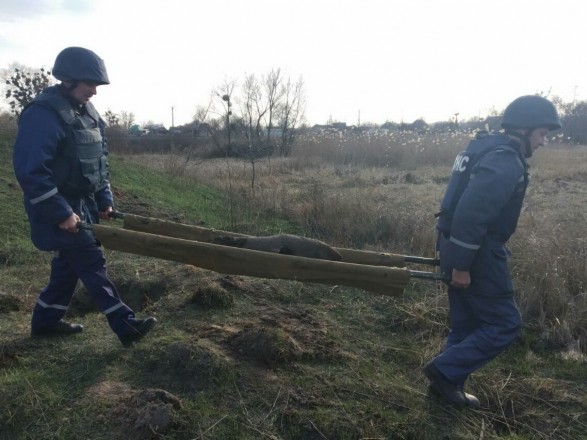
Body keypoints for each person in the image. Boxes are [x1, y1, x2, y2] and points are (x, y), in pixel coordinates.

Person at [12, 47, 157, 347]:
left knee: (69, 265)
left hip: (84, 207)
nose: (94, 91)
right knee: (91, 260)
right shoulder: (42, 115)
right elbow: (31, 173)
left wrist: (104, 199)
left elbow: (98, 161)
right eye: (89, 83)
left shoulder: (87, 113)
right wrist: (61, 213)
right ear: (67, 79)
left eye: (96, 84)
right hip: (56, 209)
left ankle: (45, 322)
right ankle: (125, 325)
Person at [424, 95, 562, 408]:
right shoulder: (504, 159)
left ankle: (447, 387)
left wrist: (455, 257)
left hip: (453, 243)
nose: (543, 142)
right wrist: (462, 265)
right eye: (542, 134)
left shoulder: (482, 148)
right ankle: (445, 371)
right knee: (505, 324)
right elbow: (473, 213)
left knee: (466, 323)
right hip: (477, 252)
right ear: (524, 131)